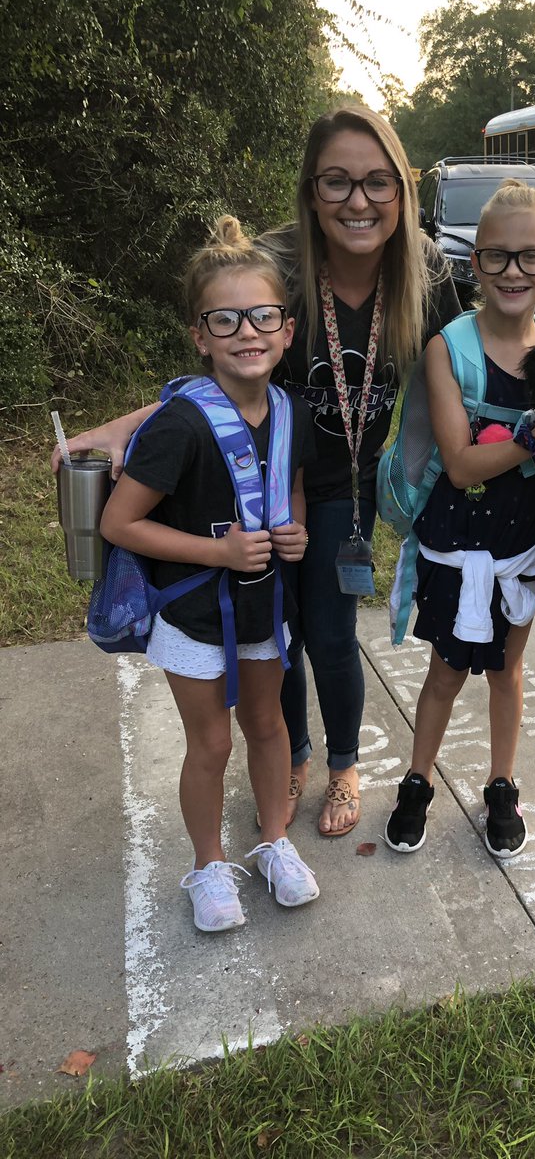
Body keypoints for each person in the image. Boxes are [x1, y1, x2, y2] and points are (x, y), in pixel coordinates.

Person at [53, 105, 462, 839]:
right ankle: (293, 751)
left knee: (332, 632)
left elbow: (459, 366)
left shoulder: (425, 270)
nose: (358, 201)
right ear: (310, 191)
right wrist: (121, 427)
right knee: (278, 630)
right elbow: (218, 372)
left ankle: (343, 762)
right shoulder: (279, 265)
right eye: (336, 182)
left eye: (377, 182)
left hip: (345, 489)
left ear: (402, 190)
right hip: (263, 480)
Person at [100, 216, 319, 932]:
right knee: (213, 742)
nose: (247, 333)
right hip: (195, 612)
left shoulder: (289, 409)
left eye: (262, 317)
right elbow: (120, 522)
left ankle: (275, 843)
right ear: (200, 335)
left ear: (286, 330)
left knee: (267, 726)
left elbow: (289, 481)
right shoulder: (179, 424)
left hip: (264, 608)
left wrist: (295, 524)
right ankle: (207, 865)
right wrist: (219, 553)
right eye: (225, 320)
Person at [383, 180, 535, 859]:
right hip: (456, 544)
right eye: (496, 257)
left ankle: (501, 783)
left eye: (531, 256)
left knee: (505, 671)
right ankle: (417, 780)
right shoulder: (448, 348)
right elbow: (460, 464)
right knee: (445, 671)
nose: (513, 271)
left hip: (523, 546)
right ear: (474, 265)